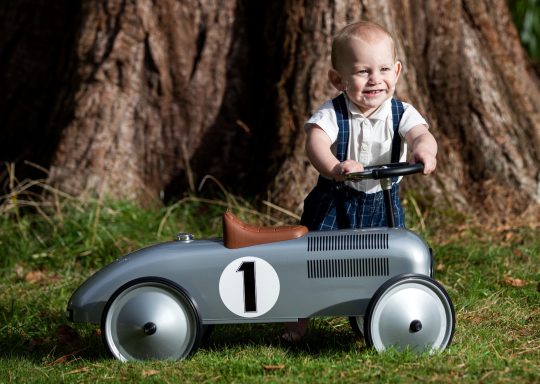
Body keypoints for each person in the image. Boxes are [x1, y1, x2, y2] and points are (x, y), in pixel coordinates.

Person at [282, 21, 437, 342]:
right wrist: (335, 166)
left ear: (396, 72)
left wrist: (424, 151)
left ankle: (388, 312)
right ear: (338, 79)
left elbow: (422, 134)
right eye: (362, 72)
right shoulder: (333, 113)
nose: (375, 79)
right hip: (336, 199)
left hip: (383, 202)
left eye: (382, 69)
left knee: (392, 258)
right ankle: (297, 320)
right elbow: (316, 142)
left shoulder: (401, 112)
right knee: (312, 258)